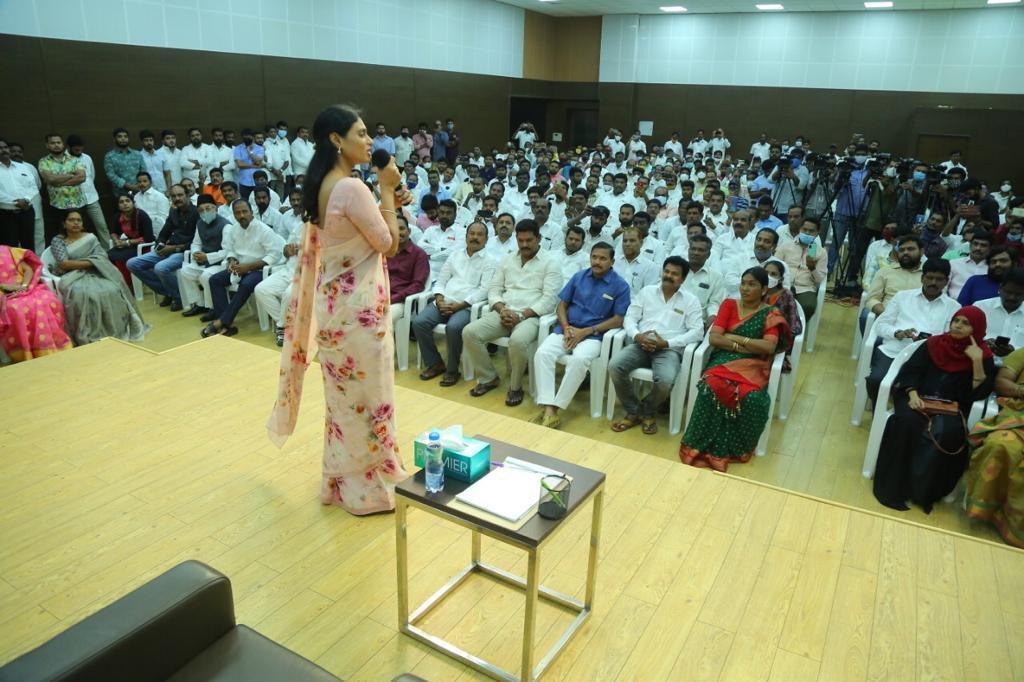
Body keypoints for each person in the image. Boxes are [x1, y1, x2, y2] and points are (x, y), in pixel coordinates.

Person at [267, 104, 412, 515]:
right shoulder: (352, 188)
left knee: (345, 404)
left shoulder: (321, 185)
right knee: (372, 398)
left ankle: (343, 485)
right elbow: (389, 245)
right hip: (360, 314)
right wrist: (387, 189)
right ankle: (371, 489)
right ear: (336, 139)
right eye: (362, 134)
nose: (370, 142)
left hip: (335, 312)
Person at [873, 306, 995, 513]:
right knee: (907, 424)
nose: (958, 325)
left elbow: (978, 394)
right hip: (916, 398)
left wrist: (976, 362)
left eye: (966, 323)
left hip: (951, 406)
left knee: (947, 433)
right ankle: (894, 488)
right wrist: (912, 394)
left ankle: (922, 492)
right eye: (957, 320)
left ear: (978, 329)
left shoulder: (983, 356)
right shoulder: (933, 344)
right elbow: (910, 372)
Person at [679, 267, 792, 472]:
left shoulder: (770, 314)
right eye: (743, 283)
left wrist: (735, 338)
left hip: (755, 364)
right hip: (723, 359)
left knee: (753, 399)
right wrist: (744, 345)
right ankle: (699, 446)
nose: (745, 288)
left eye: (752, 284)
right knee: (711, 386)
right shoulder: (729, 305)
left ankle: (733, 449)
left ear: (764, 289)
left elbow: (768, 347)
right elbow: (714, 337)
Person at [462, 219, 561, 407]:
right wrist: (502, 309)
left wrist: (522, 315)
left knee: (517, 341)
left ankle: (515, 386)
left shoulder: (551, 262)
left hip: (530, 316)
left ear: (539, 239)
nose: (524, 245)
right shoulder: (508, 259)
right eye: (520, 240)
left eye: (529, 240)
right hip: (504, 312)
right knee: (470, 332)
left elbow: (549, 301)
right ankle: (488, 377)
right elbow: (494, 289)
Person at [532, 242, 631, 428]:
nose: (597, 262)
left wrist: (586, 331)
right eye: (594, 257)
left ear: (612, 261)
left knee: (579, 360)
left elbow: (619, 319)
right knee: (543, 353)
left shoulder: (620, 285)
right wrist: (567, 326)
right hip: (568, 330)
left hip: (594, 336)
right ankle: (548, 408)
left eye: (603, 258)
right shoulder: (579, 277)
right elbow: (561, 305)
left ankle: (555, 408)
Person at [609, 255, 703, 434]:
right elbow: (630, 318)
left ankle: (643, 410)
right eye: (666, 271)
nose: (668, 276)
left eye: (675, 274)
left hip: (668, 350)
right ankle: (634, 410)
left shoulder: (691, 301)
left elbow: (697, 332)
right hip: (640, 345)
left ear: (682, 279)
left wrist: (667, 343)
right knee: (615, 366)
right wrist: (637, 336)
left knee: (666, 380)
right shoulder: (647, 292)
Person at [867, 259, 960, 403]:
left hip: (929, 359)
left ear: (946, 281)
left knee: (923, 390)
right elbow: (880, 326)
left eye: (939, 279)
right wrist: (898, 333)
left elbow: (950, 338)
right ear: (922, 278)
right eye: (929, 277)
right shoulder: (902, 297)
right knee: (876, 380)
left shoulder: (953, 307)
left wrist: (930, 342)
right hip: (895, 350)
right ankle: (878, 413)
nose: (933, 282)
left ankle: (897, 414)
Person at [414, 221, 495, 386]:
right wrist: (439, 299)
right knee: (419, 322)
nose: (475, 237)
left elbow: (484, 290)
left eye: (480, 235)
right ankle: (435, 363)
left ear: (486, 240)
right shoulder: (455, 255)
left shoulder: (490, 261)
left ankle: (452, 370)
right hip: (444, 302)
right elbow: (441, 281)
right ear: (466, 237)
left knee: (454, 327)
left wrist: (460, 305)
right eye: (472, 233)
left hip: (467, 307)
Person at [48, 210, 147, 345]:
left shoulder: (90, 237)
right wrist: (92, 262)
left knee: (112, 289)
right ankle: (89, 333)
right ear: (64, 223)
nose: (76, 223)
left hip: (97, 272)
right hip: (72, 276)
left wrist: (92, 262)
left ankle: (117, 330)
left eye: (79, 220)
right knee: (82, 294)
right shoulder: (58, 240)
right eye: (71, 220)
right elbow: (64, 263)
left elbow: (102, 257)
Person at [965, 346, 1024, 547]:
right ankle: (991, 511)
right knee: (1000, 445)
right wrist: (1021, 390)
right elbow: (1001, 382)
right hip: (1018, 415)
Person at [200, 200, 283, 337]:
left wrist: (248, 267)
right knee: (214, 280)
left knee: (245, 285)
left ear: (251, 212)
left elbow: (273, 256)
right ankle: (228, 324)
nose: (241, 215)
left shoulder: (264, 230)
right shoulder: (234, 229)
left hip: (260, 269)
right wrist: (232, 259)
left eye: (244, 211)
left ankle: (221, 322)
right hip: (240, 267)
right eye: (237, 213)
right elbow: (230, 249)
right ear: (233, 214)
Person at [127, 184, 198, 311]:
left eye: (180, 195)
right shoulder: (174, 212)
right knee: (132, 263)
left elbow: (197, 242)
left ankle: (178, 297)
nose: (177, 198)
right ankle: (168, 292)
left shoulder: (196, 213)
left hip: (184, 251)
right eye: (174, 196)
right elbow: (163, 234)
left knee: (160, 268)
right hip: (167, 249)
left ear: (188, 195)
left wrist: (173, 248)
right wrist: (160, 244)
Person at [0, 244, 72, 362]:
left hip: (25, 287)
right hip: (4, 293)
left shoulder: (7, 251)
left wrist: (24, 286)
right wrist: (5, 286)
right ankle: (25, 352)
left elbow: (27, 269)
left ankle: (49, 346)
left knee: (46, 300)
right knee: (16, 308)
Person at [178, 194, 231, 318]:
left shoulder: (226, 225)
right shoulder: (200, 223)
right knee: (185, 271)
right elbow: (196, 243)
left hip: (221, 263)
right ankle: (199, 304)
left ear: (215, 208)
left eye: (208, 209)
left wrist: (207, 257)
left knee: (206, 276)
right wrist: (196, 253)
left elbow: (228, 251)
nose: (205, 212)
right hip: (204, 261)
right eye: (201, 210)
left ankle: (213, 309)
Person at [776, 217, 827, 320]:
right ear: (800, 229)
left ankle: (796, 330)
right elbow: (775, 265)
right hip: (784, 284)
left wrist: (812, 268)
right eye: (805, 229)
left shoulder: (820, 252)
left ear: (817, 233)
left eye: (811, 231)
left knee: (808, 307)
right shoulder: (786, 246)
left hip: (805, 288)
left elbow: (820, 279)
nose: (807, 233)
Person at [974, 268, 1024, 361]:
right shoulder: (980, 307)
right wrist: (983, 344)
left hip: (1016, 368)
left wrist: (1015, 351)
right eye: (1008, 292)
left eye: (1018, 294)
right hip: (980, 362)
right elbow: (966, 338)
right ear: (1000, 288)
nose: (1011, 297)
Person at [107, 192, 154, 288]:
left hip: (144, 246)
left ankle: (128, 285)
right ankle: (117, 283)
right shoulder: (118, 217)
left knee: (119, 257)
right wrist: (116, 240)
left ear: (133, 202)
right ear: (118, 206)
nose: (125, 204)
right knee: (107, 255)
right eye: (121, 202)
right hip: (130, 245)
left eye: (127, 201)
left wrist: (127, 242)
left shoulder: (141, 215)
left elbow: (148, 238)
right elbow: (113, 232)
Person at [0, 138, 40, 249]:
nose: (4, 150)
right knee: (9, 248)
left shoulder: (23, 167)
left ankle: (31, 266)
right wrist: (15, 203)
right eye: (0, 148)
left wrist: (26, 199)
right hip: (5, 214)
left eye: (5, 147)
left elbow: (33, 186)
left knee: (29, 246)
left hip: (27, 211)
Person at [386, 215, 429, 315]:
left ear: (409, 231)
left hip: (402, 301)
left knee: (383, 317)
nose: (398, 233)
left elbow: (417, 285)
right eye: (394, 229)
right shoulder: (384, 251)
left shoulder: (419, 254)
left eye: (401, 229)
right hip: (381, 296)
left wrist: (393, 298)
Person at [947, 230, 992, 299]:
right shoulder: (953, 264)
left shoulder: (992, 268)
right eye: (975, 244)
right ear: (970, 245)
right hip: (953, 304)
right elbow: (943, 287)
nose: (978, 248)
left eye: (983, 245)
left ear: (990, 249)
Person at [103, 127, 145, 193]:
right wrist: (129, 186)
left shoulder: (137, 154)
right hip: (121, 193)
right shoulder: (109, 156)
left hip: (139, 190)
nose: (123, 138)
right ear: (114, 139)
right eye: (120, 136)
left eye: (125, 136)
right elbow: (111, 175)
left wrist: (141, 184)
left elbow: (144, 170)